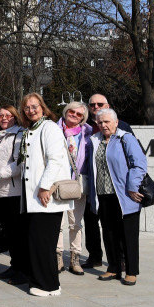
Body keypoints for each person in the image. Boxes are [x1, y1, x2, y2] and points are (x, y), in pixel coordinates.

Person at [19, 92, 73, 297]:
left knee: (42, 242)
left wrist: (44, 187)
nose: (31, 110)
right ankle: (49, 283)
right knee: (40, 241)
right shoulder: (31, 129)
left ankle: (45, 284)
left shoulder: (49, 127)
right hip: (34, 197)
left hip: (44, 196)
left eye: (34, 106)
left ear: (42, 107)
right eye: (27, 107)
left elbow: (56, 160)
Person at [86, 109, 146, 286]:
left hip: (125, 195)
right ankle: (113, 267)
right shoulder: (95, 141)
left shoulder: (126, 138)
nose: (103, 125)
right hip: (103, 194)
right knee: (109, 232)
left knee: (128, 234)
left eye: (106, 122)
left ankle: (131, 271)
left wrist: (133, 187)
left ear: (116, 122)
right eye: (100, 122)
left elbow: (139, 164)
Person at [83, 94, 134, 269]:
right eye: (92, 104)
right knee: (90, 222)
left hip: (114, 186)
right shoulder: (85, 127)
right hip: (92, 183)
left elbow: (134, 157)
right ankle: (95, 256)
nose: (96, 106)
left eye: (100, 104)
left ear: (108, 105)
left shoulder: (122, 127)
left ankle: (121, 258)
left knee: (114, 225)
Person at [0, 105, 27, 284]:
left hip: (14, 192)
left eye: (8, 115)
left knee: (18, 233)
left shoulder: (19, 135)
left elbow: (20, 163)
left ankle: (23, 270)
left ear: (15, 117)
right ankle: (14, 266)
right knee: (9, 233)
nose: (4, 118)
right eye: (1, 115)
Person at [57, 101, 92, 276]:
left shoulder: (88, 133)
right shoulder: (54, 130)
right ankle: (57, 256)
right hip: (57, 183)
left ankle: (75, 258)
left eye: (79, 114)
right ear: (66, 111)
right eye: (72, 111)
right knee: (57, 223)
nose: (75, 116)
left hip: (77, 184)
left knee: (76, 224)